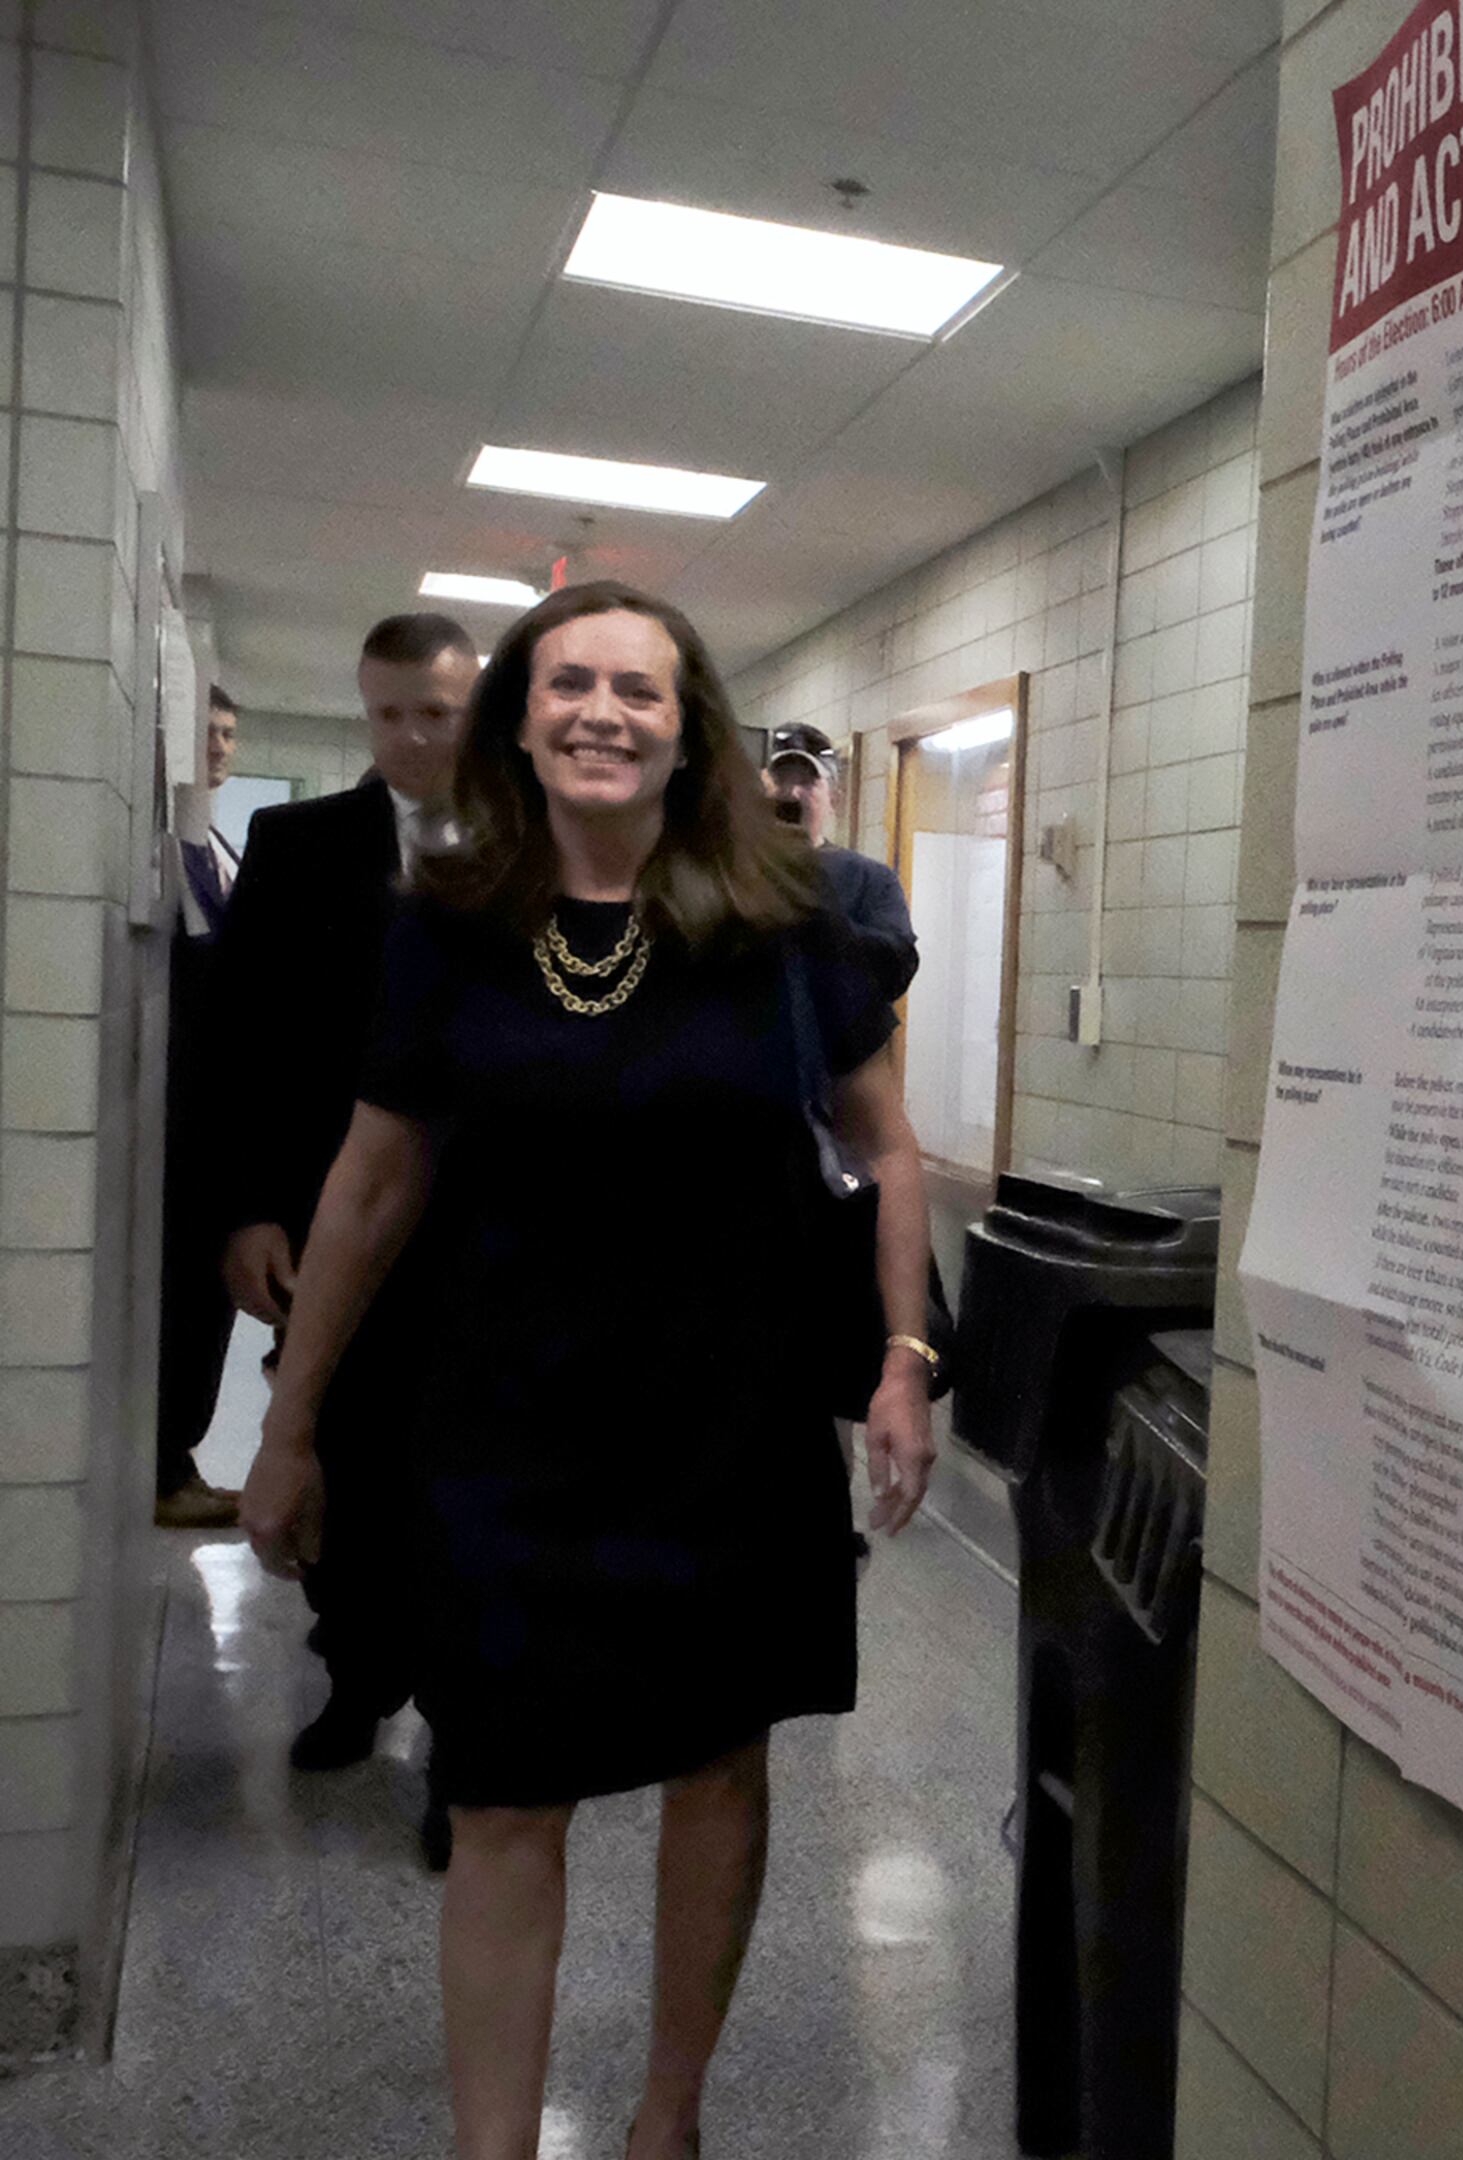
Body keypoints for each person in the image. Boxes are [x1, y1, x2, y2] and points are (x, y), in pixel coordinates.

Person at [237, 581, 938, 2160]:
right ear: (522, 720)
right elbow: (369, 1186)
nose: (602, 712)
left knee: (717, 1766)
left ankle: (664, 2123)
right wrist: (289, 1426)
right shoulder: (455, 927)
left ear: (687, 723)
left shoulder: (796, 924)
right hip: (504, 1425)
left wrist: (902, 1359)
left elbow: (885, 1153)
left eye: (638, 687)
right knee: (498, 1791)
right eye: (570, 686)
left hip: (731, 1423)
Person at [214, 615, 477, 1776]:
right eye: (388, 715)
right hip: (337, 1213)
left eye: (436, 713)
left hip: (491, 1230)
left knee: (471, 1477)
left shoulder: (546, 846)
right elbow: (247, 1041)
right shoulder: (299, 843)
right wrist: (248, 1208)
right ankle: (358, 1677)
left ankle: (469, 1731)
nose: (411, 738)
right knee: (348, 1458)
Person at [154, 690, 248, 1529]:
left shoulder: (215, 846)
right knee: (186, 1297)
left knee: (210, 1304)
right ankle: (166, 1462)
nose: (216, 747)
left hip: (219, 1112)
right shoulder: (173, 850)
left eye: (226, 734)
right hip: (183, 1114)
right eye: (204, 732)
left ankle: (180, 1455)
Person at [763, 728, 917, 999]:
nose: (793, 793)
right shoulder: (732, 871)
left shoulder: (868, 879)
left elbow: (897, 969)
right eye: (782, 780)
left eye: (808, 782)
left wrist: (826, 927)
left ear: (833, 797)